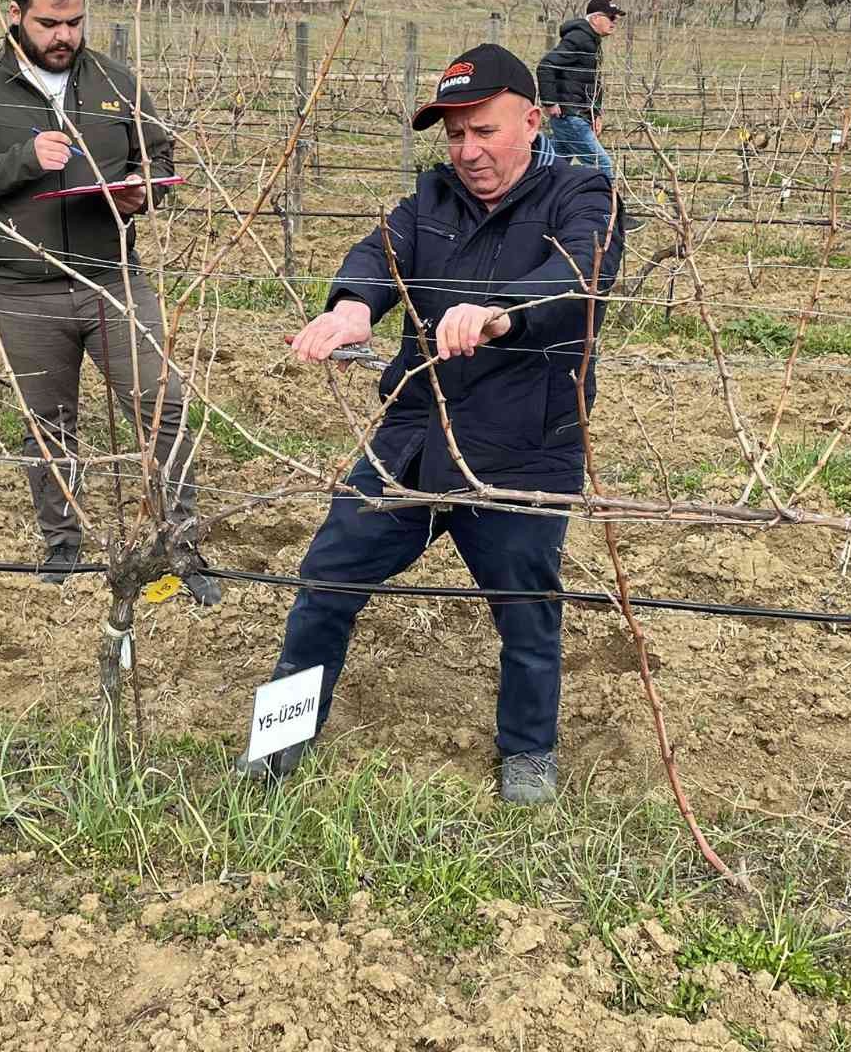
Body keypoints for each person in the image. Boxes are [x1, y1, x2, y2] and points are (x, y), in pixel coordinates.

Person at [236, 44, 623, 804]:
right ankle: (281, 737)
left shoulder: (582, 194)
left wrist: (500, 312)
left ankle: (528, 754)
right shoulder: (431, 199)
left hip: (524, 445)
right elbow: (379, 253)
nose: (468, 151)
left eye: (484, 131)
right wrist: (353, 305)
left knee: (527, 609)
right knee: (327, 577)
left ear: (532, 121)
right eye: (455, 135)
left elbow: (582, 275)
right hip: (415, 437)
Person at [0, 0, 222, 604]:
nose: (64, 36)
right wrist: (22, 159)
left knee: (162, 408)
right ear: (15, 14)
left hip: (114, 279)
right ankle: (63, 543)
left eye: (74, 22)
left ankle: (181, 542)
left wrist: (144, 188)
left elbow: (158, 154)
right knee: (48, 424)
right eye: (49, 24)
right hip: (24, 287)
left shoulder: (116, 81)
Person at [537, 0, 625, 179]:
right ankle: (607, 198)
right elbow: (546, 66)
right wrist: (549, 102)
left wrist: (596, 113)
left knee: (552, 167)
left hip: (575, 114)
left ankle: (533, 192)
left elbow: (592, 81)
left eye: (616, 18)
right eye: (611, 17)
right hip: (570, 115)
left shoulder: (591, 40)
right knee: (601, 165)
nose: (614, 22)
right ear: (595, 18)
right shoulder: (579, 38)